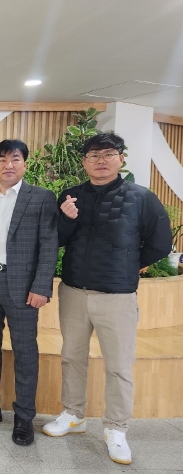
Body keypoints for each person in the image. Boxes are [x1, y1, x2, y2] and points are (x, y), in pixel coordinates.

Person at [42, 132, 171, 464]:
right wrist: (66, 218)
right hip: (73, 290)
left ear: (120, 159)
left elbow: (161, 243)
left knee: (118, 366)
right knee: (72, 357)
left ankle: (116, 428)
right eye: (94, 155)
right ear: (84, 162)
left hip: (117, 296)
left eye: (108, 154)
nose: (101, 161)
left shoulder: (142, 198)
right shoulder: (70, 195)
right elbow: (56, 239)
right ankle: (74, 414)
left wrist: (131, 263)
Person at [0, 139, 58, 446]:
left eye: (15, 159)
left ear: (25, 164)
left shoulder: (41, 197)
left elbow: (49, 245)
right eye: (2, 160)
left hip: (23, 286)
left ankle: (24, 416)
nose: (8, 165)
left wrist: (41, 287)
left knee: (25, 351)